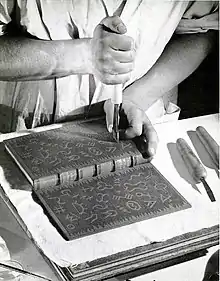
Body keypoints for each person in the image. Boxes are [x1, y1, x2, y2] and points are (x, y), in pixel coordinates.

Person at [0, 0, 218, 157]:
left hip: (140, 121)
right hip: (28, 129)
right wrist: (84, 55)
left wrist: (136, 98)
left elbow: (201, 29)